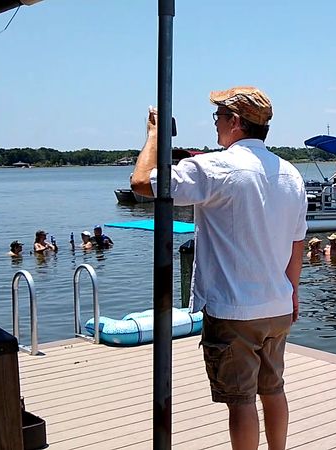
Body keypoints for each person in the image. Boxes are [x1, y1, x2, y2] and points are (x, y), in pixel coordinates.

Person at [130, 86, 307, 450]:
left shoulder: (216, 166)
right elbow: (297, 243)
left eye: (219, 117)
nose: (216, 125)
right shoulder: (291, 174)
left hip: (234, 309)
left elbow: (142, 183)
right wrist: (293, 294)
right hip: (278, 305)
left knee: (240, 400)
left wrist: (153, 136)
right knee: (273, 390)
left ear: (236, 123)